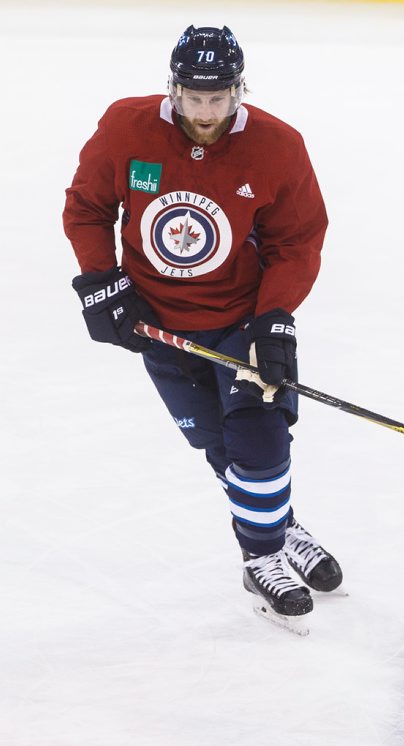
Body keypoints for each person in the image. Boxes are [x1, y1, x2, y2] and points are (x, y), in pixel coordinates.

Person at [63, 25, 342, 624]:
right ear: (174, 88)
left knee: (260, 441)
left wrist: (274, 320)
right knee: (220, 448)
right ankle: (279, 526)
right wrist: (100, 283)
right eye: (194, 96)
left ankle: (259, 556)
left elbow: (297, 241)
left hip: (239, 320)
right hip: (158, 326)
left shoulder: (277, 145)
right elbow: (88, 206)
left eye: (219, 97)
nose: (206, 110)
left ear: (240, 89)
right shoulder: (126, 127)